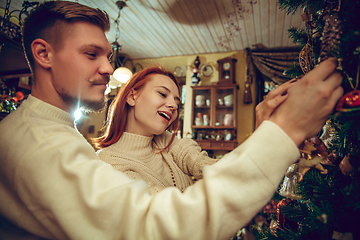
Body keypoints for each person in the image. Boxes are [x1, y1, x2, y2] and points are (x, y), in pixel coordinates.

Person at [0, 1, 343, 239]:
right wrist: (284, 130)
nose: (106, 68)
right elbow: (157, 227)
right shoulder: (40, 143)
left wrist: (264, 133)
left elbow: (206, 172)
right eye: (91, 54)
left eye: (108, 56)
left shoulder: (57, 131)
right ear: (43, 54)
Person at [93, 67, 218, 195]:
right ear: (132, 97)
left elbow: (199, 162)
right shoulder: (108, 164)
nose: (174, 106)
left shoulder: (167, 141)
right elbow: (157, 207)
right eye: (163, 94)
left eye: (177, 102)